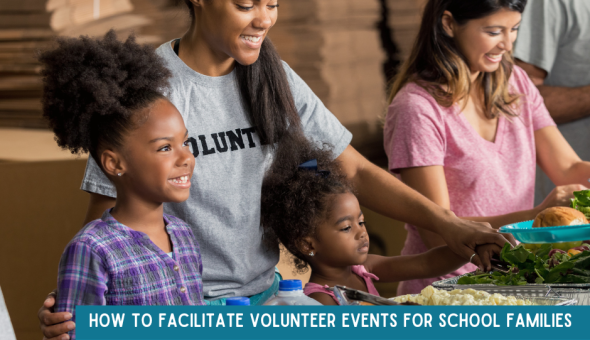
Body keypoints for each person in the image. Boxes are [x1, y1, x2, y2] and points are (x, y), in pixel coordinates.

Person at [40, 0, 513, 337]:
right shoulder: (153, 89)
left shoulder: (272, 75)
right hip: (185, 312)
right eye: (247, 4)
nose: (263, 18)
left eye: (272, 3)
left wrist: (452, 226)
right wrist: (79, 307)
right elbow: (108, 220)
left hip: (268, 301)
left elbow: (358, 170)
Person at [383, 0, 590, 295]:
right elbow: (438, 233)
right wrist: (536, 216)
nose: (506, 44)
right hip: (450, 292)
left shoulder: (515, 83)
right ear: (448, 24)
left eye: (514, 29)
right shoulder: (416, 108)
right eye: (494, 31)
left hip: (513, 284)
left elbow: (568, 168)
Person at [39, 31, 205, 339]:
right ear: (115, 164)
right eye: (165, 148)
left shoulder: (184, 236)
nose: (186, 157)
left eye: (185, 142)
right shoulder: (92, 250)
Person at [260, 143, 487, 305]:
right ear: (308, 244)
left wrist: (471, 249)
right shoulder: (320, 300)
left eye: (361, 222)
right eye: (347, 227)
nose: (362, 233)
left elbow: (426, 264)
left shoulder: (364, 270)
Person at [512, 0, 590, 205]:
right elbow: (516, 100)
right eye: (494, 31)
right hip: (557, 208)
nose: (504, 44)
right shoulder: (549, 4)